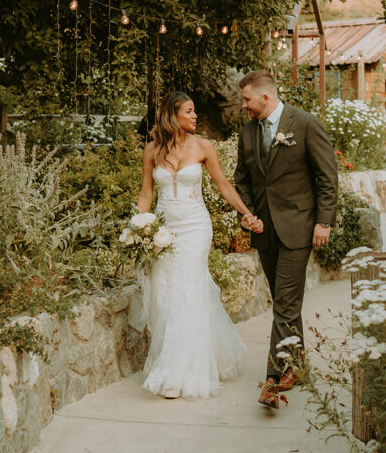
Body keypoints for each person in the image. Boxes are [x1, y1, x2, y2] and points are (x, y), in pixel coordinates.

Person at [137, 90, 264, 399]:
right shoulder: (152, 150)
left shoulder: (204, 146)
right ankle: (189, 355)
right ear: (172, 116)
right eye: (189, 111)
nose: (195, 116)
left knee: (187, 289)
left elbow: (224, 186)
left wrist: (247, 214)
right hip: (164, 232)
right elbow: (146, 194)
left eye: (195, 111)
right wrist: (140, 228)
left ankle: (179, 372)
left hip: (195, 227)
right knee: (167, 295)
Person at [234, 69, 338, 410]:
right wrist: (247, 214)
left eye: (247, 100)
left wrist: (324, 221)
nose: (244, 106)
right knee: (285, 302)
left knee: (285, 304)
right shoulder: (248, 132)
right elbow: (244, 180)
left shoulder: (305, 123)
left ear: (265, 97)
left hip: (298, 227)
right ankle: (299, 364)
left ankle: (273, 379)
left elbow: (327, 177)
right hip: (264, 231)